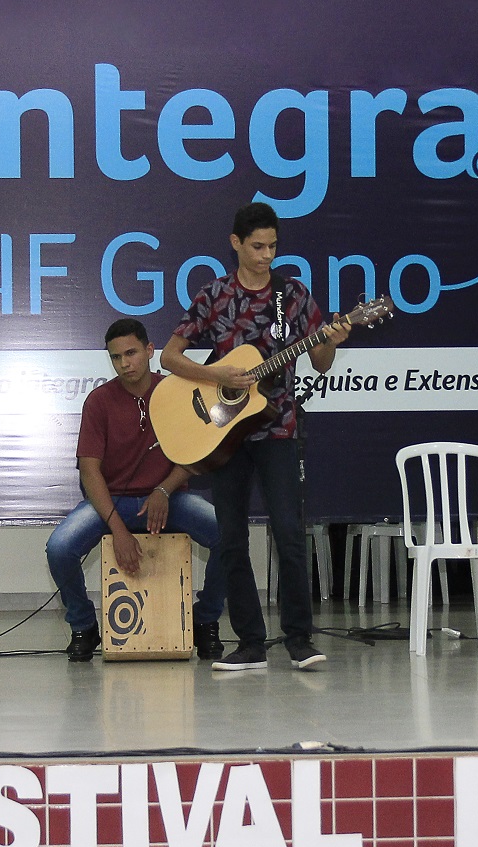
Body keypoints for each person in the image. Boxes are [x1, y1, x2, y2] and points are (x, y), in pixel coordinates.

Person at [160, 202, 351, 672]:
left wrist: (330, 339)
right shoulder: (214, 295)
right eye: (258, 247)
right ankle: (249, 643)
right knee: (230, 538)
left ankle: (300, 639)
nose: (267, 256)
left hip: (279, 427)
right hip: (223, 433)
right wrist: (215, 371)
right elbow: (168, 356)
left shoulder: (294, 295)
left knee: (289, 532)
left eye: (273, 247)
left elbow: (321, 362)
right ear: (236, 244)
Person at [46, 318, 228, 662]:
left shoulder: (176, 392)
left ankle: (204, 622)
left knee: (228, 535)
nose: (124, 363)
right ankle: (83, 626)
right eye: (116, 357)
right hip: (111, 503)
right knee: (59, 548)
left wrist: (165, 489)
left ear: (149, 351)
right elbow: (89, 471)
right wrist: (117, 529)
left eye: (131, 353)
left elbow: (197, 452)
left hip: (170, 497)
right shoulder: (99, 401)